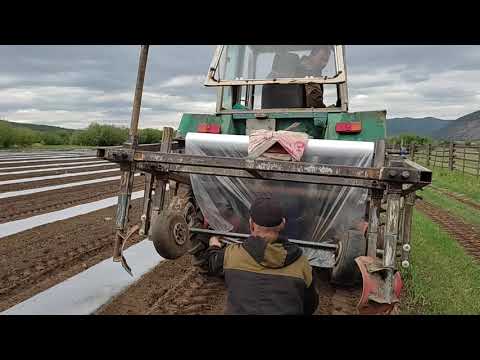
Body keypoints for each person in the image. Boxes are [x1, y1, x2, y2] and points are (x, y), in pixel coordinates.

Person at [204, 196, 319, 315]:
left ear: (251, 224)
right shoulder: (301, 264)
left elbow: (212, 263)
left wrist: (214, 245)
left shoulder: (232, 255)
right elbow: (310, 306)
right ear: (283, 224)